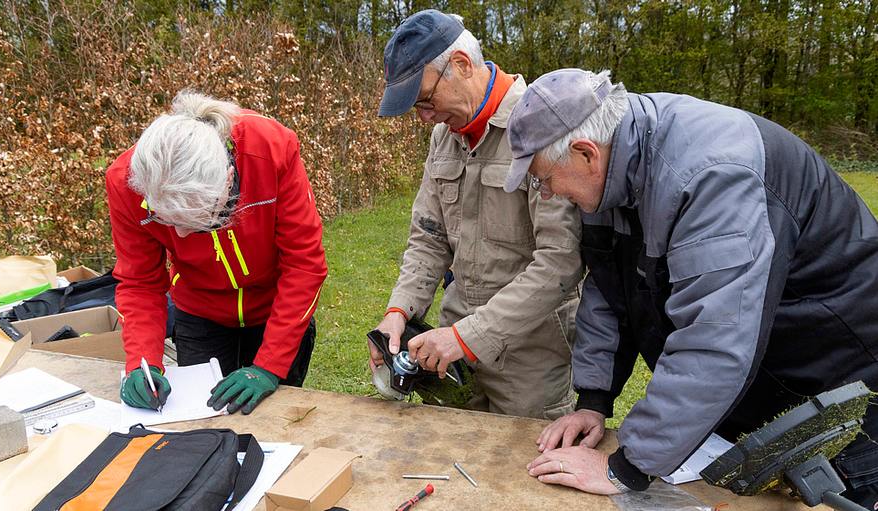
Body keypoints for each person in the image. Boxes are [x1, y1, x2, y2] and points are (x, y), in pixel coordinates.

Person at [503, 68, 878, 506]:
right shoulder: (611, 174)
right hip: (759, 379)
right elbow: (608, 290)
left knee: (844, 495)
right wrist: (594, 398)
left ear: (586, 153)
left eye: (544, 179)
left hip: (843, 379)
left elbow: (715, 339)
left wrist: (627, 466)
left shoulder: (711, 174)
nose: (546, 193)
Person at [370, 9, 584, 419]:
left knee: (521, 474)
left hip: (529, 357)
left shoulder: (540, 125)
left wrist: (467, 337)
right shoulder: (444, 137)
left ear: (462, 66)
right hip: (450, 348)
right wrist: (399, 312)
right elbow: (428, 237)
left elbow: (561, 261)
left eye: (427, 101)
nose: (425, 118)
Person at [106, 90, 327, 415]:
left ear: (226, 183)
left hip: (275, 309)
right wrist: (143, 361)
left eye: (196, 224)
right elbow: (140, 283)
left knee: (274, 420)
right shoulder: (124, 182)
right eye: (167, 221)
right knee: (204, 420)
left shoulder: (272, 147)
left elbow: (304, 264)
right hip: (200, 312)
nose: (179, 235)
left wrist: (269, 365)